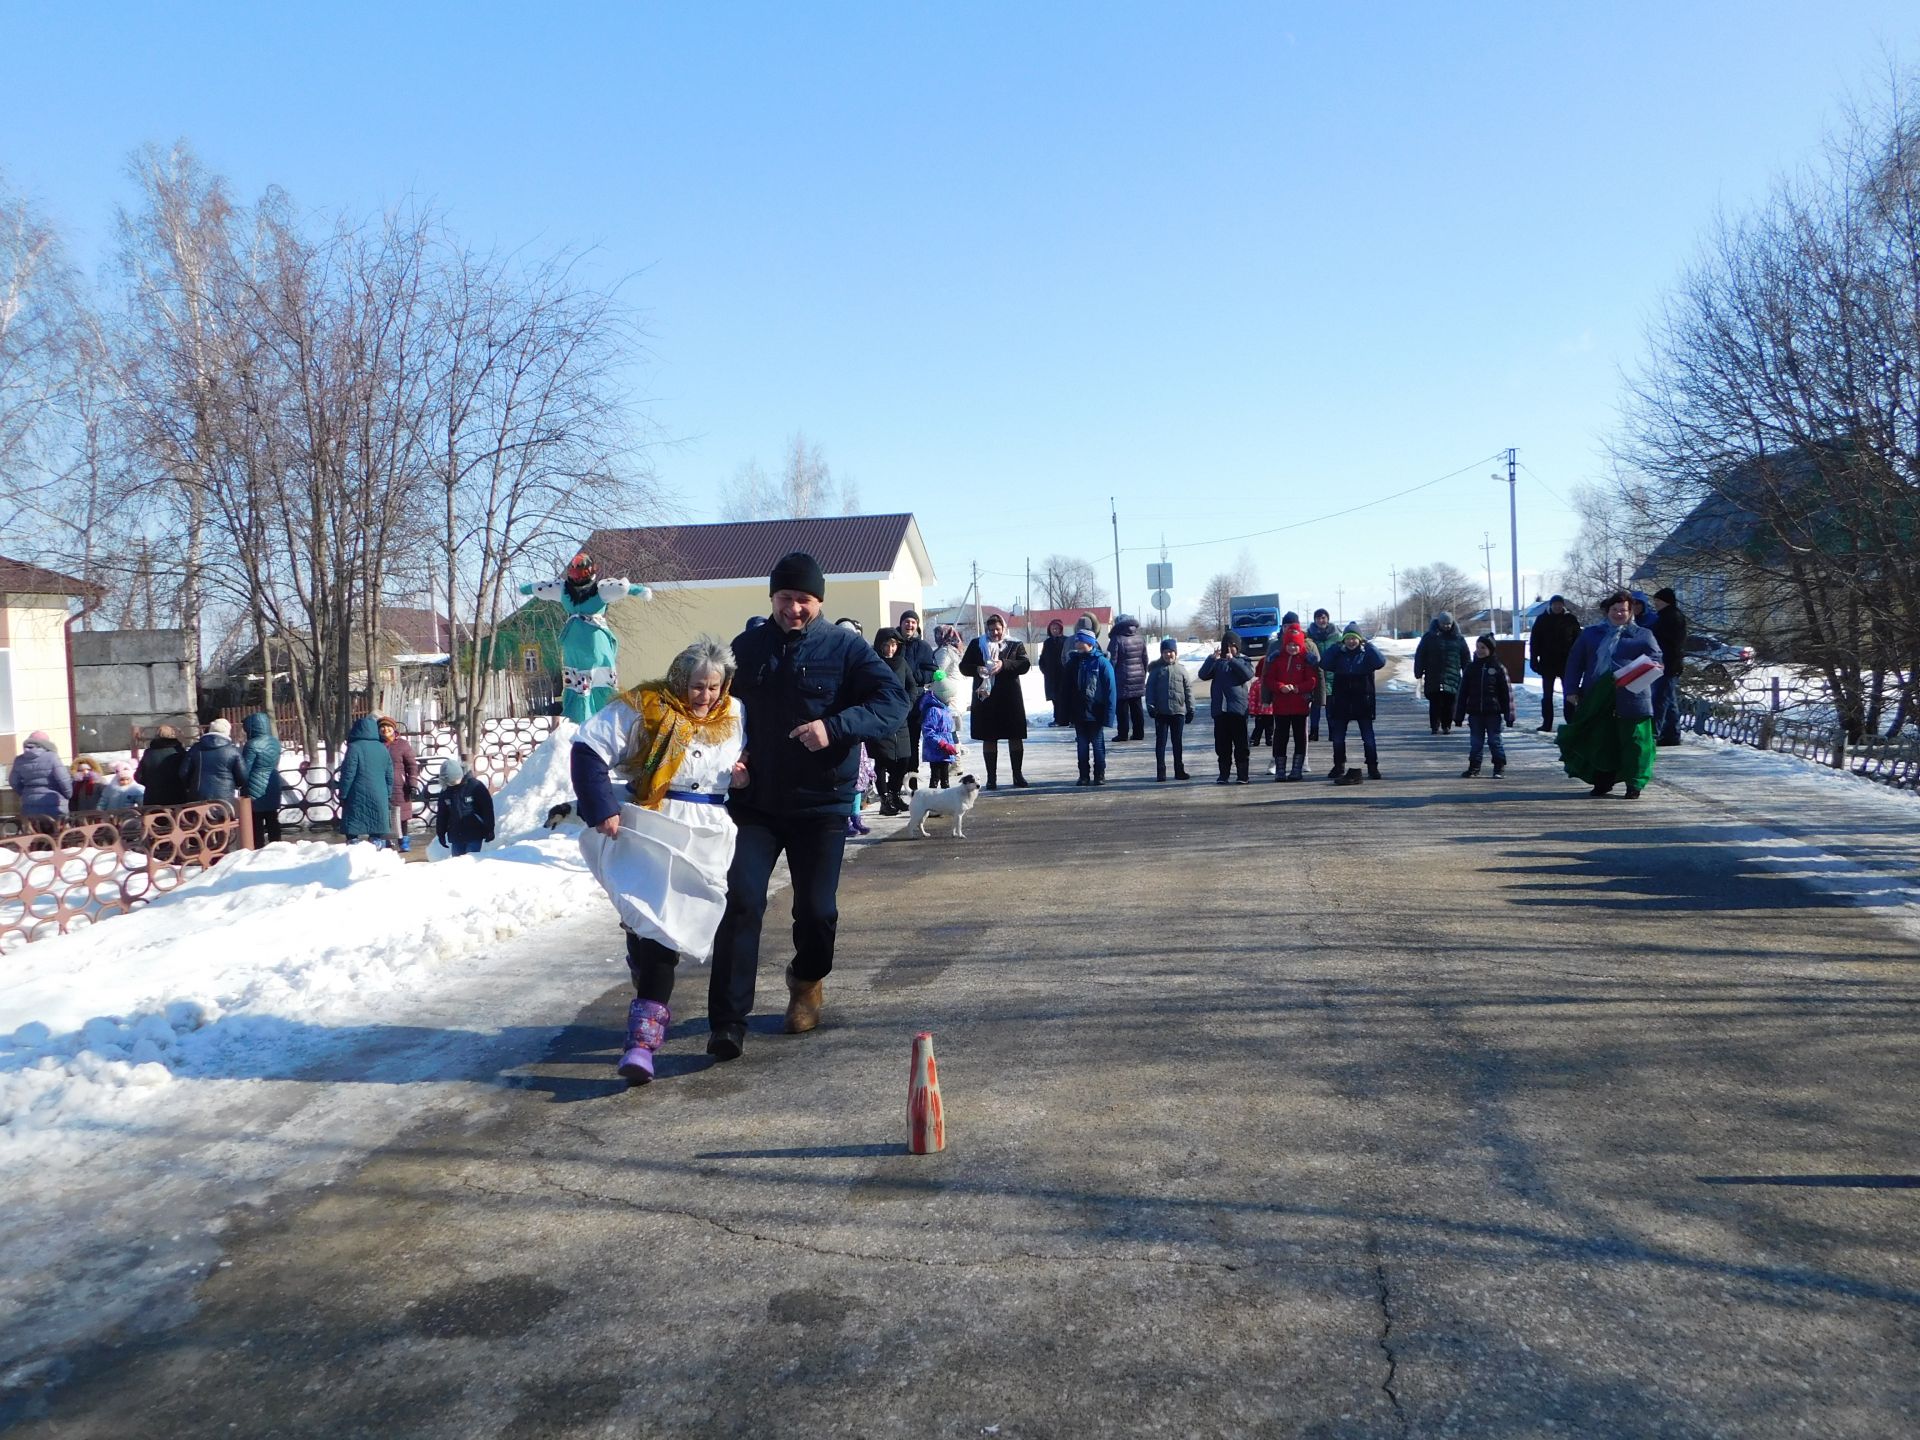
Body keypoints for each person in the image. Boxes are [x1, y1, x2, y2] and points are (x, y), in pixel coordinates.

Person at [706, 552, 907, 1061]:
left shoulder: (846, 648)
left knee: (817, 912)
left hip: (821, 803)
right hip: (759, 803)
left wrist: (833, 728)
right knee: (743, 899)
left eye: (804, 599)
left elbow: (892, 702)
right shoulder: (746, 649)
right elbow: (716, 710)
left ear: (819, 600)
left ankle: (807, 979)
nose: (794, 608)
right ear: (771, 597)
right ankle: (728, 1021)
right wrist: (732, 753)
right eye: (785, 598)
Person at [572, 639, 745, 1082]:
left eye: (712, 687)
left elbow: (738, 762)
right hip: (654, 824)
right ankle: (642, 1044)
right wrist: (600, 806)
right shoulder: (645, 706)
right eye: (695, 686)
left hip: (708, 834)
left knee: (672, 928)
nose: (703, 696)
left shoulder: (735, 714)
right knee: (659, 937)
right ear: (678, 679)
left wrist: (745, 775)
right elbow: (587, 747)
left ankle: (639, 955)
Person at [519, 550, 653, 723]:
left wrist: (639, 590)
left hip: (587, 646)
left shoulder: (593, 589)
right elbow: (623, 588)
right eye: (575, 573)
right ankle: (589, 721)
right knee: (585, 683)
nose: (577, 578)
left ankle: (595, 721)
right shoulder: (573, 589)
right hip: (585, 646)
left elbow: (622, 588)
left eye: (580, 573)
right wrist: (640, 591)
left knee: (591, 682)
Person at [1559, 591, 1662, 799]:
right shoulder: (1590, 634)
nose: (1618, 614)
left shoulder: (1643, 635)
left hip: (1633, 696)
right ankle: (1602, 781)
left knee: (1635, 742)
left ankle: (1635, 783)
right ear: (1607, 611)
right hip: (1597, 695)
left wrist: (1632, 674)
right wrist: (1571, 690)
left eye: (1623, 610)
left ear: (1630, 611)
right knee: (1601, 739)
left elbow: (1656, 660)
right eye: (1614, 610)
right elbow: (1575, 663)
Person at [959, 611, 1032, 789]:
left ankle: (1017, 775)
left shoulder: (1014, 644)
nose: (995, 633)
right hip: (986, 699)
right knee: (989, 737)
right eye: (991, 630)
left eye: (998, 629)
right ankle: (991, 778)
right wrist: (978, 669)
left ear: (1003, 628)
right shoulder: (977, 644)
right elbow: (964, 667)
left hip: (1010, 698)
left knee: (1015, 735)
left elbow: (1024, 665)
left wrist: (1004, 664)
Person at [867, 627, 921, 815]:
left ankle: (895, 794)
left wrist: (908, 705)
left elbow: (912, 686)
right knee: (882, 759)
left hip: (901, 718)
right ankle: (885, 799)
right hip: (880, 718)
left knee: (904, 758)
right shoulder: (872, 663)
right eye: (886, 645)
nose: (890, 649)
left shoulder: (901, 663)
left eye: (893, 645)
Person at [1322, 623, 1386, 781]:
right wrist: (1336, 647)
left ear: (1360, 640)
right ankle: (1339, 766)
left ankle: (1373, 767)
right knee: (1338, 738)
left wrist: (1369, 645)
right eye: (1348, 638)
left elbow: (1380, 662)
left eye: (1354, 638)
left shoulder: (1366, 655)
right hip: (1342, 701)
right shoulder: (1339, 655)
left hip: (1363, 701)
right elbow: (1324, 663)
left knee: (1368, 738)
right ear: (1343, 640)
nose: (1351, 642)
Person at [1259, 618, 1320, 782]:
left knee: (1300, 737)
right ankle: (1280, 769)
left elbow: (1313, 680)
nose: (1292, 648)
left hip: (1300, 706)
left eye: (1295, 645)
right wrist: (1280, 687)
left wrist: (1298, 688)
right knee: (1280, 737)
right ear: (1284, 644)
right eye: (1290, 644)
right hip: (1281, 706)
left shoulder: (1306, 659)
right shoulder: (1277, 659)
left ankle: (1297, 769)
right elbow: (1268, 679)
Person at [1455, 635, 1517, 778]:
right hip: (1475, 712)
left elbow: (1507, 694)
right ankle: (1474, 767)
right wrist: (1458, 715)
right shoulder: (1471, 668)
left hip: (1493, 712)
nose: (1480, 650)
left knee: (1494, 740)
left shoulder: (1498, 668)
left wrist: (1509, 715)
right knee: (1476, 742)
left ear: (1490, 649)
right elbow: (1462, 694)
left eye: (1483, 648)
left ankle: (1499, 767)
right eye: (1477, 647)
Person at [1198, 634, 1255, 785]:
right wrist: (1211, 659)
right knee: (1222, 745)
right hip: (1220, 711)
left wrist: (1233, 660)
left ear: (1237, 647)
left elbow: (1247, 675)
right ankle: (1224, 774)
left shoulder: (1243, 660)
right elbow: (1202, 675)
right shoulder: (1217, 663)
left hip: (1238, 710)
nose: (1228, 649)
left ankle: (1243, 774)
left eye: (1232, 646)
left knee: (1241, 745)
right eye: (1226, 646)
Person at [1063, 625, 1115, 785]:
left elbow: (1110, 689)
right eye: (1077, 641)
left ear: (1090, 643)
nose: (1077, 644)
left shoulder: (1102, 663)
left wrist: (1109, 715)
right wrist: (1065, 712)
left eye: (1081, 642)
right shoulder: (1073, 663)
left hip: (1096, 712)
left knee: (1098, 745)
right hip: (1078, 712)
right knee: (1082, 746)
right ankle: (1083, 775)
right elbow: (1065, 689)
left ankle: (1099, 774)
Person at [337, 714, 395, 844]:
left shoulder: (354, 747)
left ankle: (353, 853)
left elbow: (348, 774)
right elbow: (389, 775)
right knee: (376, 831)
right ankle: (376, 851)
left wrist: (343, 794)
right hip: (379, 795)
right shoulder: (382, 748)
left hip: (356, 795)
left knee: (353, 831)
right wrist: (388, 794)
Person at [1528, 596, 1581, 731]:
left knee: (1568, 693)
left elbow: (1579, 641)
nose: (1557, 607)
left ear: (1563, 606)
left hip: (1566, 662)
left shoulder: (1570, 619)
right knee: (1547, 695)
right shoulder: (1542, 619)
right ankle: (1547, 723)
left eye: (1559, 604)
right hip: (1547, 662)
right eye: (1555, 604)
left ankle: (1570, 721)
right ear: (1551, 605)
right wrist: (1534, 659)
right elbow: (1534, 641)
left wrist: (1579, 660)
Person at [1144, 636, 1194, 782]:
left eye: (1171, 651)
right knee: (1161, 742)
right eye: (1165, 652)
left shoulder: (1181, 670)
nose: (1168, 654)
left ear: (1175, 653)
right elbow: (1150, 690)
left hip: (1178, 711)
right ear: (1162, 653)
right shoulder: (1156, 670)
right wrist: (1151, 706)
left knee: (1177, 742)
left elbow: (1188, 690)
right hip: (1161, 712)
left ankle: (1179, 770)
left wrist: (1191, 708)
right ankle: (1161, 771)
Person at [1413, 612, 1469, 734]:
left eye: (1449, 624)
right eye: (1444, 624)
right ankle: (1434, 725)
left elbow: (1465, 657)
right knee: (1435, 702)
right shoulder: (1429, 637)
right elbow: (1421, 655)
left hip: (1453, 675)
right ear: (1439, 623)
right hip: (1434, 675)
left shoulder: (1458, 638)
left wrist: (1468, 673)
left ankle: (1446, 725)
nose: (1447, 626)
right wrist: (1418, 671)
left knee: (1450, 702)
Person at [1649, 586, 1689, 746]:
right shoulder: (1665, 616)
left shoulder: (1671, 617)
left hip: (1668, 664)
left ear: (1666, 601)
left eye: (1658, 600)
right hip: (1668, 663)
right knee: (1669, 700)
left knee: (1660, 700)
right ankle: (1672, 734)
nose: (1656, 603)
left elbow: (1672, 643)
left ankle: (1654, 734)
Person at [434, 757, 496, 857]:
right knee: (457, 863)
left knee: (470, 861)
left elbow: (487, 809)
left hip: (474, 833)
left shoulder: (475, 786)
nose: (453, 784)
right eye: (450, 782)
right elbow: (442, 814)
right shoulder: (446, 791)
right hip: (456, 834)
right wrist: (441, 833)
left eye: (455, 780)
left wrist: (489, 829)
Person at [378, 717, 423, 853]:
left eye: (388, 727)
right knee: (384, 814)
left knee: (401, 816)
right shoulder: (376, 744)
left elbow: (412, 765)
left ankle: (403, 841)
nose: (386, 729)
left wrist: (412, 783)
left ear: (394, 728)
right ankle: (387, 840)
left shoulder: (402, 745)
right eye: (382, 727)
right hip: (381, 784)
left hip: (400, 786)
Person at [242, 711, 284, 846]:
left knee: (256, 820)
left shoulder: (252, 745)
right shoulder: (275, 742)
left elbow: (245, 769)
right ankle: (276, 845)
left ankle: (258, 848)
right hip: (272, 782)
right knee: (272, 817)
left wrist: (241, 785)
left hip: (255, 784)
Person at [1105, 615, 1149, 742]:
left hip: (1121, 679)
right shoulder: (1140, 638)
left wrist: (1109, 678)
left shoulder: (1116, 639)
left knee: (1122, 708)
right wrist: (1142, 674)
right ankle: (1139, 733)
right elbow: (1145, 659)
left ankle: (1123, 734)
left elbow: (1112, 661)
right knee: (1137, 707)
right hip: (1138, 677)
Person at [184, 718, 249, 802]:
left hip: (198, 796)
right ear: (227, 732)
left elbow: (184, 772)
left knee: (199, 814)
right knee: (224, 815)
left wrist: (190, 785)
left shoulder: (195, 749)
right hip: (225, 796)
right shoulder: (233, 751)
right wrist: (235, 785)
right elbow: (243, 776)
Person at [7, 731, 71, 816]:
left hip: (29, 803)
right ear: (47, 743)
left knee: (33, 827)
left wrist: (25, 792)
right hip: (53, 802)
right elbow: (64, 780)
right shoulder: (52, 757)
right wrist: (68, 795)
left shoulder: (19, 760)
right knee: (57, 827)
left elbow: (13, 781)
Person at [135, 724, 189, 806]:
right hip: (177, 796)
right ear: (173, 735)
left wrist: (151, 784)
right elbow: (186, 773)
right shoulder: (179, 752)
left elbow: (138, 776)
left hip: (153, 797)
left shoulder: (148, 753)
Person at [1304, 609, 1338, 742]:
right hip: (1316, 674)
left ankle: (1332, 731)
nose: (1321, 620)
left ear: (1327, 619)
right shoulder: (1309, 636)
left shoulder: (1336, 636)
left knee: (1331, 706)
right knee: (1315, 706)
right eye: (1318, 618)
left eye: (1323, 618)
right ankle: (1314, 731)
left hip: (1331, 675)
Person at [919, 680, 959, 788]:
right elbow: (928, 731)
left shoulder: (944, 709)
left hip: (945, 750)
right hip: (936, 749)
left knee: (945, 777)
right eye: (950, 696)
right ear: (943, 695)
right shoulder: (934, 710)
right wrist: (942, 743)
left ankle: (944, 798)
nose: (952, 699)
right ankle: (933, 798)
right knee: (935, 776)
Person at [1037, 618, 1070, 727]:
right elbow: (1042, 658)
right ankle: (1057, 718)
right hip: (1050, 675)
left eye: (1057, 628)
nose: (1055, 630)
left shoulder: (1066, 640)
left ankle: (1064, 719)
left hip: (1062, 674)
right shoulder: (1048, 642)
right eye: (1053, 629)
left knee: (1063, 697)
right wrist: (1044, 669)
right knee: (1054, 698)